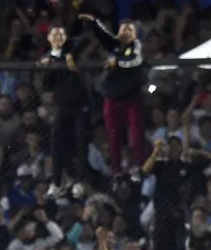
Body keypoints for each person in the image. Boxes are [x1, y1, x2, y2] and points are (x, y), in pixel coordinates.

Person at [79, 13, 146, 177]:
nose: (126, 32)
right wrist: (94, 22)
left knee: (136, 131)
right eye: (124, 29)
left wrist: (119, 62)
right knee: (113, 133)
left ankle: (137, 165)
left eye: (130, 29)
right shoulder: (114, 45)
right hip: (112, 97)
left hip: (131, 97)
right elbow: (103, 35)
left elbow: (135, 61)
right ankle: (116, 169)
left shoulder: (136, 46)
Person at [40, 26, 89, 195]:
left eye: (61, 34)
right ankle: (57, 181)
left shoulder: (71, 48)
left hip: (80, 103)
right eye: (54, 35)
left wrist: (67, 54)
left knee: (81, 141)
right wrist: (50, 63)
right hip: (64, 106)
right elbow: (47, 84)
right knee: (56, 140)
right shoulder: (51, 58)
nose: (58, 37)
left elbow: (83, 40)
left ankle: (81, 180)